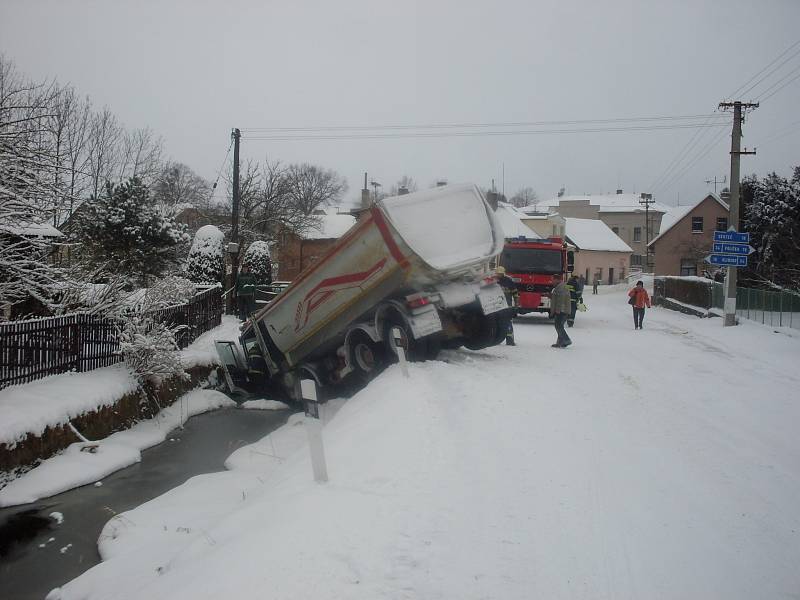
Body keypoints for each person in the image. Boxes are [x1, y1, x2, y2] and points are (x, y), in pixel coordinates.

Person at [495, 266, 519, 345]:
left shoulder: (509, 281)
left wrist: (516, 305)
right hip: (496, 306)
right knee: (498, 322)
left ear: (503, 273)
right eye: (498, 273)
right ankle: (497, 339)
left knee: (507, 323)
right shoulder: (494, 281)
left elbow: (515, 294)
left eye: (500, 274)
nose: (499, 275)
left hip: (506, 306)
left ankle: (510, 340)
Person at [549, 273, 572, 348]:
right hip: (563, 309)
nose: (552, 281)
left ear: (557, 280)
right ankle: (560, 343)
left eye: (553, 280)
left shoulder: (561, 287)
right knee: (559, 326)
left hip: (562, 310)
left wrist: (558, 310)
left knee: (558, 325)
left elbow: (560, 300)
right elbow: (557, 298)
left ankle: (566, 340)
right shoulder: (560, 287)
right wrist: (550, 296)